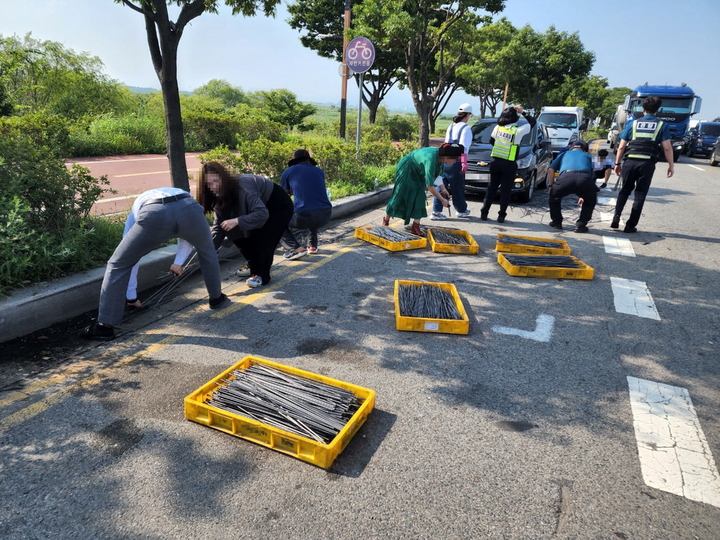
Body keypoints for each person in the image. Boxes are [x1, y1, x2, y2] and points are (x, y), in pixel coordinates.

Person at [79, 187, 227, 341]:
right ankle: (216, 298)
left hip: (155, 212)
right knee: (207, 252)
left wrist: (131, 298)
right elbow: (188, 240)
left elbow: (130, 262)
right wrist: (178, 263)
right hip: (189, 208)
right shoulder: (179, 193)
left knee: (118, 263)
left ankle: (104, 327)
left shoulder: (136, 211)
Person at [198, 161, 294, 288]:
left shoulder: (243, 186)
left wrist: (237, 220)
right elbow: (219, 226)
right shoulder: (216, 195)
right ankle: (254, 266)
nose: (213, 186)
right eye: (209, 184)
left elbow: (262, 214)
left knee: (264, 239)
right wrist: (209, 250)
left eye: (216, 181)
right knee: (233, 231)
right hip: (258, 209)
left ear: (224, 178)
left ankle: (261, 276)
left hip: (277, 205)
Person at [612, 96, 674, 233]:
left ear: (642, 109)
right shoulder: (662, 125)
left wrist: (617, 163)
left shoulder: (633, 124)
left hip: (630, 162)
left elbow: (621, 147)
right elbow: (667, 148)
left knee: (625, 190)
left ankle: (616, 217)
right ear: (658, 110)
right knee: (640, 195)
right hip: (647, 164)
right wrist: (671, 165)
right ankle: (630, 225)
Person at [382, 143, 463, 237]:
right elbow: (430, 186)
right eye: (454, 159)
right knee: (400, 194)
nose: (454, 162)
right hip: (407, 168)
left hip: (418, 170)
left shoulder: (441, 159)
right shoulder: (431, 159)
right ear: (447, 157)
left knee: (420, 196)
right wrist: (442, 200)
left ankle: (415, 226)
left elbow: (437, 176)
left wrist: (443, 189)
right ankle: (386, 220)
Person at [480, 106, 536, 223]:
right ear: (515, 118)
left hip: (495, 161)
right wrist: (523, 112)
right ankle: (501, 216)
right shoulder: (518, 131)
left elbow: (492, 141)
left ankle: (484, 212)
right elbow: (532, 122)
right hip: (509, 164)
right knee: (505, 191)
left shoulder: (498, 128)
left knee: (491, 189)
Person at [278, 149, 332, 258]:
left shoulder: (288, 172)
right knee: (313, 206)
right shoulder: (319, 171)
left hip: (303, 217)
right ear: (308, 160)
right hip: (326, 215)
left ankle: (295, 249)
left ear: (294, 160)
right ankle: (312, 246)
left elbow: (282, 197)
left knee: (276, 221)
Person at [431, 103, 473, 220]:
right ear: (468, 115)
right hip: (456, 161)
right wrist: (464, 163)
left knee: (441, 184)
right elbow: (464, 148)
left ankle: (436, 211)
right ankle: (461, 210)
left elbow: (446, 143)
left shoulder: (451, 126)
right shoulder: (466, 128)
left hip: (444, 159)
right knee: (457, 186)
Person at [546, 140, 597, 233]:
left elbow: (551, 169)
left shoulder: (564, 154)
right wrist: (583, 195)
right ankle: (581, 225)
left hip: (566, 177)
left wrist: (551, 186)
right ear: (584, 150)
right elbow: (591, 176)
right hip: (584, 178)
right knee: (590, 200)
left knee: (554, 197)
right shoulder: (587, 156)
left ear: (571, 147)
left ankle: (557, 222)